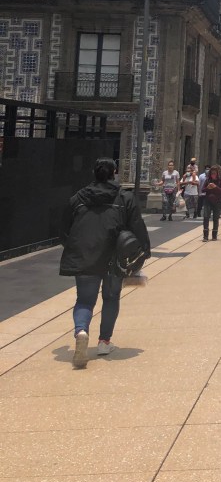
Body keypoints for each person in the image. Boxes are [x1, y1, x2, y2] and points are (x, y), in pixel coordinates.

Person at [60, 157, 150, 368]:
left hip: (84, 256)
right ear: (114, 173)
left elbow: (64, 230)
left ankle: (81, 331)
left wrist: (75, 248)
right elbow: (137, 226)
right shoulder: (124, 197)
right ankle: (104, 342)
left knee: (84, 300)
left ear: (94, 172)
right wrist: (144, 252)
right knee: (111, 298)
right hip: (113, 258)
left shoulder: (78, 198)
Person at [201, 163, 221, 241]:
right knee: (206, 217)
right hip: (208, 201)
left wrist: (215, 187)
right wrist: (207, 188)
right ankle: (205, 236)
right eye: (212, 173)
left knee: (215, 218)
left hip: (218, 201)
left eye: (214, 173)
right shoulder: (208, 180)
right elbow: (202, 190)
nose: (213, 175)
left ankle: (214, 235)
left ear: (217, 173)